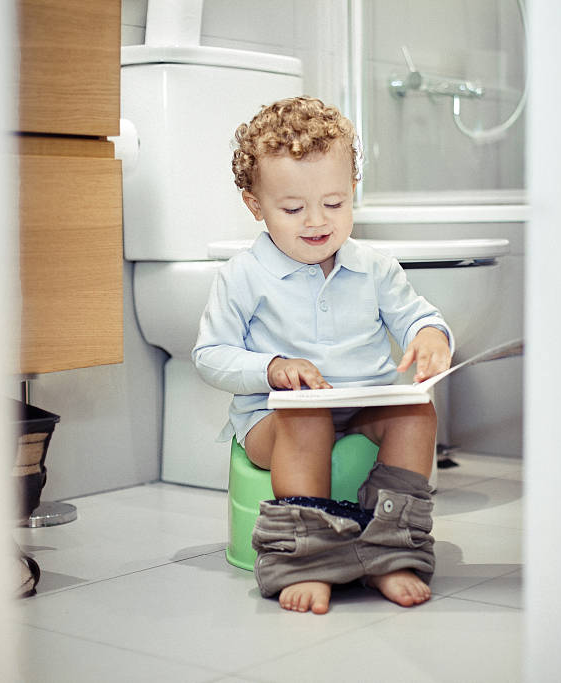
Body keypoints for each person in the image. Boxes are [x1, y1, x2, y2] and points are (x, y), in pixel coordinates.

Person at [192, 96, 453, 615]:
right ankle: (305, 559)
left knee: (415, 412)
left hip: (361, 403)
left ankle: (389, 548)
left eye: (334, 203)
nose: (317, 220)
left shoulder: (375, 266)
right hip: (277, 417)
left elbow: (416, 315)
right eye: (292, 209)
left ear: (353, 190)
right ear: (254, 205)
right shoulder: (243, 275)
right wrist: (271, 369)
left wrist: (430, 335)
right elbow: (209, 354)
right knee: (307, 418)